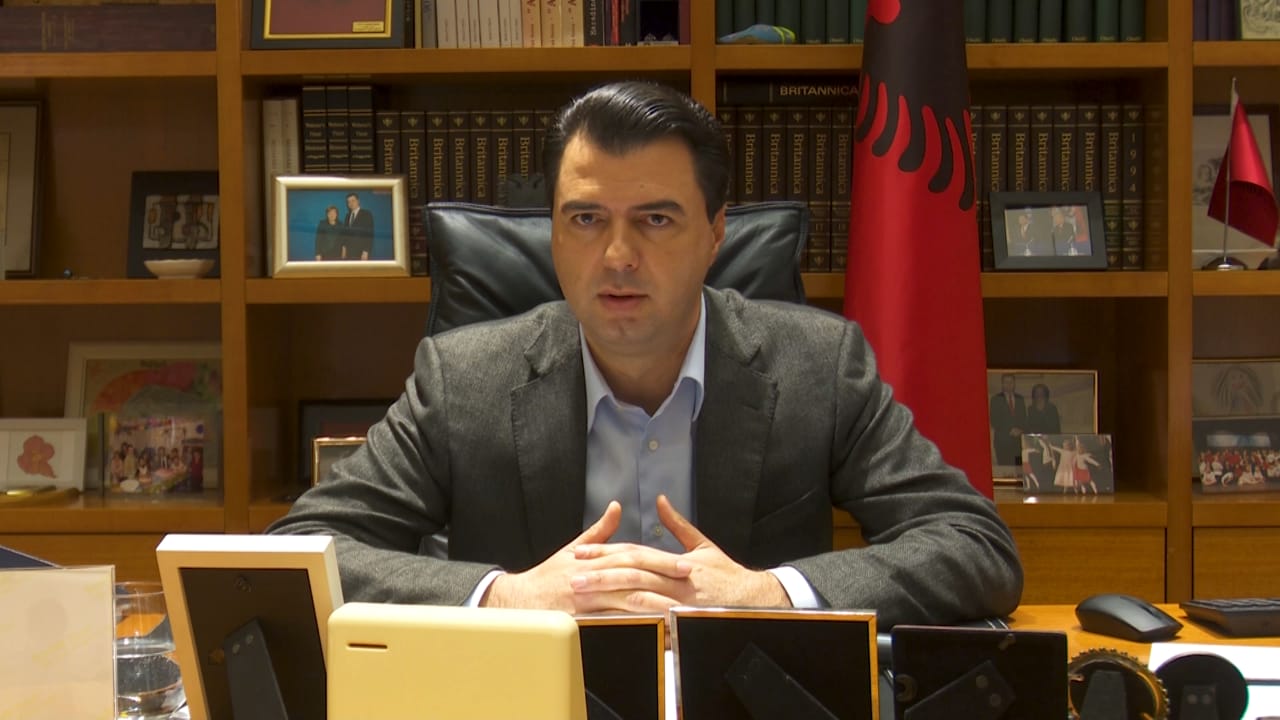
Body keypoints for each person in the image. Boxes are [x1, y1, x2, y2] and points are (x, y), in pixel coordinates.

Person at [269, 81, 1021, 628]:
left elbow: (974, 546)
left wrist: (768, 594)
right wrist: (506, 595)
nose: (617, 255)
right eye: (585, 219)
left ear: (716, 234)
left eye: (656, 219)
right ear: (552, 231)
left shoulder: (817, 367)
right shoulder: (463, 379)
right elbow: (301, 551)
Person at [989, 373, 1027, 469]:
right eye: (1006, 382)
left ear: (1014, 383)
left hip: (1018, 443)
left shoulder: (1020, 399)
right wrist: (1010, 430)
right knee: (1005, 470)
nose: (1009, 384)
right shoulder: (995, 399)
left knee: (1019, 470)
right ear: (1002, 384)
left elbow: (1024, 418)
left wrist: (1020, 430)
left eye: (1011, 382)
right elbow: (994, 420)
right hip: (1003, 442)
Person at [343, 193, 373, 260]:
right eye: (348, 202)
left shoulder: (366, 214)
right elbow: (345, 234)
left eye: (353, 200)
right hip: (349, 253)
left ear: (358, 201)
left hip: (362, 252)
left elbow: (369, 234)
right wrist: (344, 249)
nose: (351, 203)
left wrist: (366, 251)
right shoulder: (347, 216)